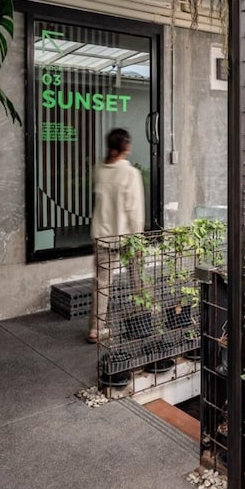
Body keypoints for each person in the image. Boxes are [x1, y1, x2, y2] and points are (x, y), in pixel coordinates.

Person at [87, 127, 145, 343]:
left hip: (102, 235)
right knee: (137, 278)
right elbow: (134, 211)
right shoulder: (130, 174)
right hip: (126, 236)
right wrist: (138, 238)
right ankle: (141, 319)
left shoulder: (99, 170)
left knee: (101, 284)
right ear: (126, 147)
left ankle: (96, 329)